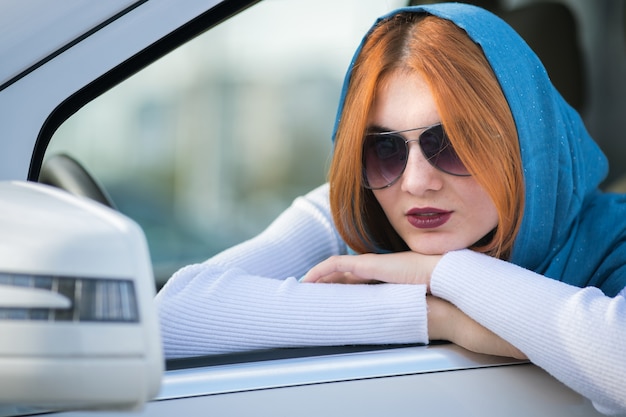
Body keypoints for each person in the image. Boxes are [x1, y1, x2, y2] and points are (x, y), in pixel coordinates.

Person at [155, 3, 626, 414]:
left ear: (526, 144)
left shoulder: (615, 239)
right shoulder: (360, 208)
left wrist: (443, 273)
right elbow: (173, 315)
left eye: (454, 143)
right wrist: (436, 316)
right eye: (384, 149)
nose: (416, 182)